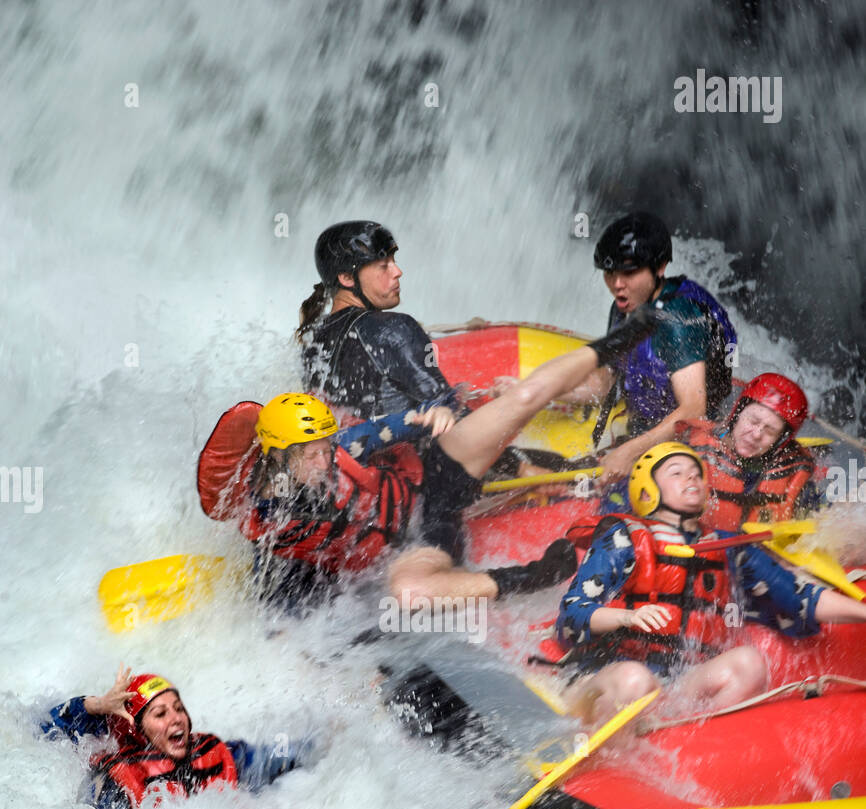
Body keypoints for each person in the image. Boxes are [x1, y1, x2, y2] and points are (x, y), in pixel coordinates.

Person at [198, 310, 662, 610]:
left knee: (526, 397)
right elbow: (283, 592)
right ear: (282, 458)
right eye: (314, 453)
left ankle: (620, 340)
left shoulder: (345, 447)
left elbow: (388, 428)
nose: (327, 459)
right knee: (411, 594)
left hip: (435, 480)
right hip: (419, 540)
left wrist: (430, 415)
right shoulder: (268, 522)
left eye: (326, 447)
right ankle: (540, 573)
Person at [390, 443, 866, 728]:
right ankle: (605, 739)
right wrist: (628, 616)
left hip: (679, 688)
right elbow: (574, 614)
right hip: (605, 678)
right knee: (638, 681)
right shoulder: (624, 538)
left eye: (697, 474)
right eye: (677, 473)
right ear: (648, 488)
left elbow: (801, 599)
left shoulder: (728, 546)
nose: (693, 479)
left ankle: (686, 741)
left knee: (746, 662)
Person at [41, 668, 405, 809]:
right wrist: (94, 706)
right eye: (160, 713)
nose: (176, 718)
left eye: (178, 707)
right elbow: (44, 728)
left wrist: (334, 734)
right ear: (136, 730)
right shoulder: (117, 784)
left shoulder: (212, 752)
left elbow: (274, 760)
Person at [559, 212, 737, 485]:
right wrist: (539, 393)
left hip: (690, 444)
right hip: (645, 427)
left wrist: (628, 451)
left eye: (629, 272)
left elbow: (693, 408)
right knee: (549, 468)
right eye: (610, 273)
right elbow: (604, 382)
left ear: (660, 267)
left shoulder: (678, 320)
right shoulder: (624, 306)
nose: (617, 284)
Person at [296, 221, 461, 423]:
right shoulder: (395, 328)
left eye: (394, 262)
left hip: (351, 449)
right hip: (408, 449)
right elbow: (444, 405)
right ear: (347, 277)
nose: (397, 271)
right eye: (384, 266)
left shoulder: (312, 341)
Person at [676, 372, 818, 530]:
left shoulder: (795, 477)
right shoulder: (692, 453)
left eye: (770, 431)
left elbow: (824, 521)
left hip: (756, 552)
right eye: (753, 421)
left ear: (781, 441)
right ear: (736, 415)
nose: (756, 434)